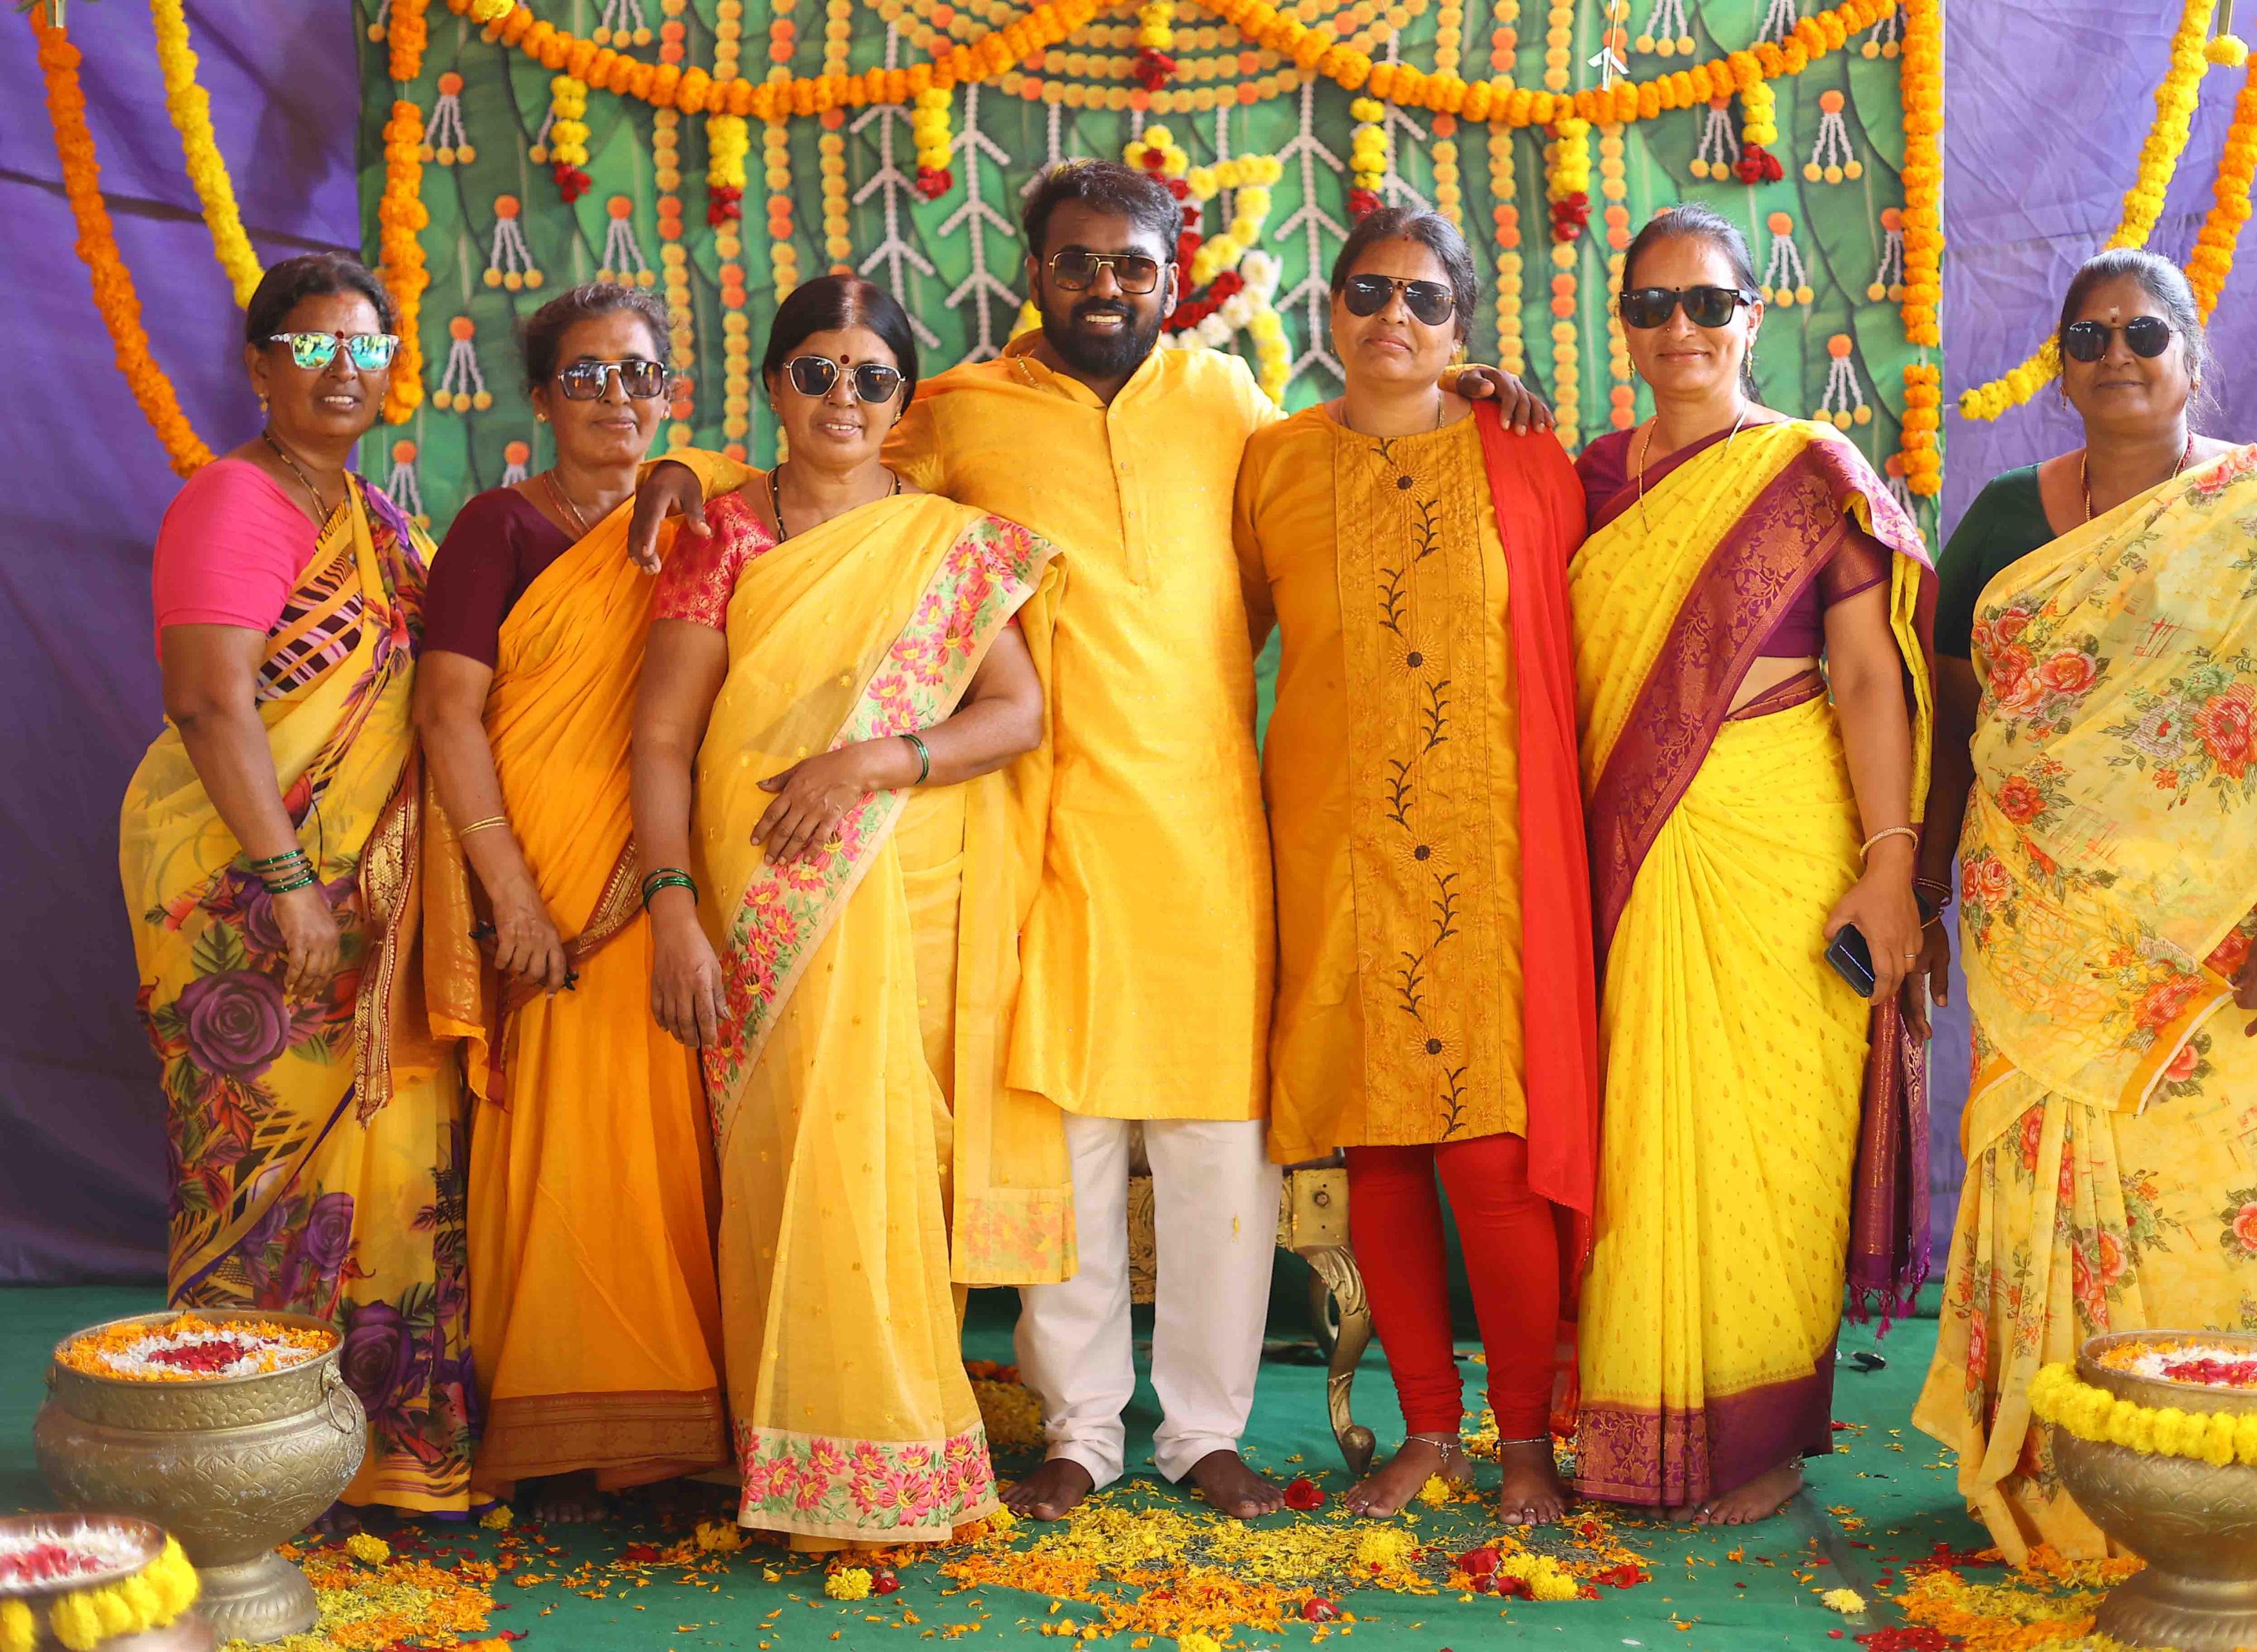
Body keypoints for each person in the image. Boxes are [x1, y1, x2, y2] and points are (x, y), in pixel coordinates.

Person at [629, 161, 1548, 1522]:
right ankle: (1079, 1428)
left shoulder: (1232, 405)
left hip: (1210, 828)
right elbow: (825, 456)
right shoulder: (962, 412)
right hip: (1034, 822)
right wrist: (683, 464)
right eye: (1078, 262)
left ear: (1172, 278)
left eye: (1132, 264)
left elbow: (1349, 445)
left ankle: (1206, 1432)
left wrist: (1471, 390)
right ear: (1032, 274)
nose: (1107, 285)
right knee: (1055, 1134)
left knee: (1213, 1145)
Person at [1908, 249, 2257, 1562]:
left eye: (2144, 331)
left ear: (2190, 354)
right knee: (2041, 1169)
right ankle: (2052, 1459)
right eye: (2089, 336)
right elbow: (1953, 725)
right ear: (2061, 369)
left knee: (2191, 1192)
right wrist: (1928, 889)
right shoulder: (2006, 520)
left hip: (2229, 943)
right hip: (2038, 921)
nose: (2118, 353)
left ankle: (2177, 1463)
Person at [631, 274, 1070, 1548]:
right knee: (787, 1145)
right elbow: (661, 737)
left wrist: (877, 761)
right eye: (815, 369)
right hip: (754, 874)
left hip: (903, 867)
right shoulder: (722, 531)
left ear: (901, 400)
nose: (842, 394)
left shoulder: (947, 537)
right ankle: (799, 1441)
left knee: (878, 1153)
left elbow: (1017, 712)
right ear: (773, 387)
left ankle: (882, 1445)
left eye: (870, 375)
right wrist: (671, 904)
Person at [1566, 204, 1936, 1525]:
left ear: (1750, 318)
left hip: (1785, 841)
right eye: (1654, 306)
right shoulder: (1590, 480)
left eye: (1707, 305)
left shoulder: (1807, 472)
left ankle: (1760, 1437)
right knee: (1643, 1138)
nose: (1681, 330)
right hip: (1631, 851)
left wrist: (1889, 865)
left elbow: (1866, 677)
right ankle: (1637, 1427)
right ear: (1626, 323)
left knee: (1773, 1133)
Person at [1233, 208, 1597, 1526]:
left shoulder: (1520, 449)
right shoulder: (1270, 461)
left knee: (1491, 1150)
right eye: (1369, 290)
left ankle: (1523, 1444)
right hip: (1333, 841)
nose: (1396, 317)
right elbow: (1217, 645)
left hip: (1491, 849)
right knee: (1379, 1143)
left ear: (1464, 325)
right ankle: (1427, 1431)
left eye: (1427, 301)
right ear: (1331, 307)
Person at [123, 252, 474, 1517]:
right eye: (312, 345)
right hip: (246, 890)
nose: (341, 369)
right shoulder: (235, 498)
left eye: (363, 348)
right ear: (263, 364)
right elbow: (209, 700)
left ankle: (380, 1457)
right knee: (263, 1166)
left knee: (391, 1145)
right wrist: (287, 882)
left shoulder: (375, 515)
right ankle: (238, 1463)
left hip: (372, 904)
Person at [412, 283, 731, 1521]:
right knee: (556, 1143)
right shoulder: (498, 525)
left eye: (639, 377)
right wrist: (513, 896)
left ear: (671, 397)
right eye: (586, 376)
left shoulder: (707, 513)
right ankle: (557, 1436)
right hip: (541, 883)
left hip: (663, 867)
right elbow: (448, 714)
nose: (616, 399)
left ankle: (665, 1435)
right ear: (540, 400)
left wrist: (689, 471)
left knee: (665, 1139)